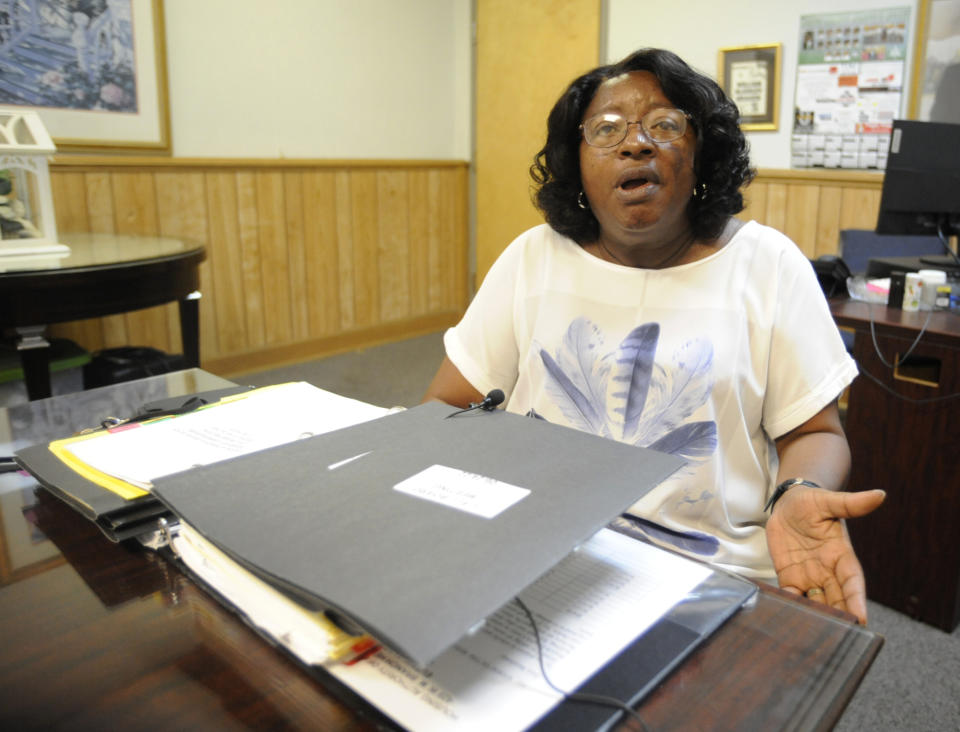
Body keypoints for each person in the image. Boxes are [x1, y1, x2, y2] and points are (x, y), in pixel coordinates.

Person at [423, 48, 885, 624]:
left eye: (664, 125)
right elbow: (447, 405)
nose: (635, 143)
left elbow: (817, 431)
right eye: (606, 130)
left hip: (711, 572)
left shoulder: (766, 265)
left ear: (701, 155)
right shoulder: (533, 259)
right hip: (538, 550)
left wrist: (796, 490)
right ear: (579, 167)